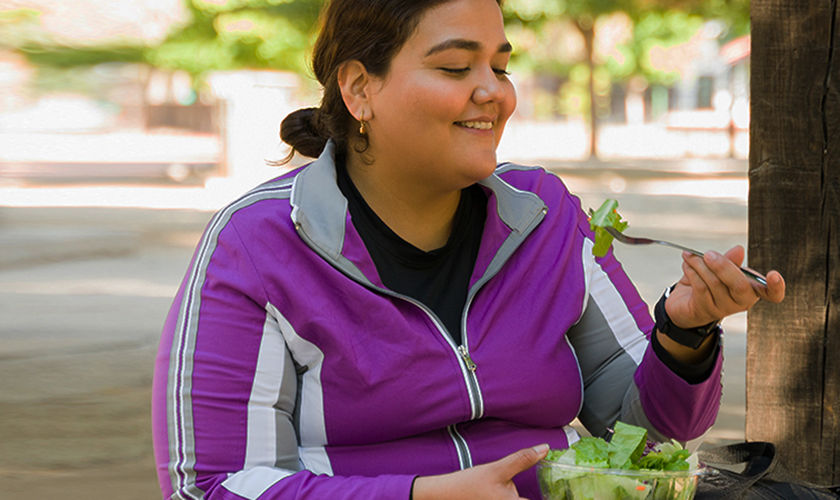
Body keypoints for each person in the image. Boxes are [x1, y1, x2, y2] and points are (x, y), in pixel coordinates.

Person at [151, 0, 786, 498]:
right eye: (457, 67)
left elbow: (643, 443)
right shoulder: (258, 243)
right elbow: (215, 485)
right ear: (359, 89)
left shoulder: (545, 214)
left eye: (500, 65)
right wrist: (417, 496)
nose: (495, 92)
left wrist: (684, 331)